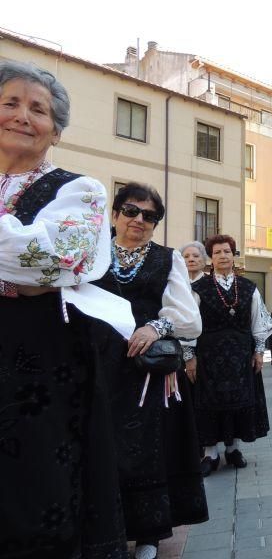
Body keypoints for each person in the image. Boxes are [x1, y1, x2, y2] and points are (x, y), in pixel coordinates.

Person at [0, 60, 129, 559]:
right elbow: (28, 262)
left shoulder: (80, 190)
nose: (21, 116)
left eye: (38, 109)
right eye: (10, 103)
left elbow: (57, 259)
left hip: (38, 360)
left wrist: (32, 273)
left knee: (35, 488)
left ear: (55, 131)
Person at [94, 182, 207, 559]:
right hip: (95, 365)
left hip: (146, 371)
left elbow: (189, 319)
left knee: (145, 450)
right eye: (130, 211)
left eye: (150, 216)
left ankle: (148, 534)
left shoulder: (167, 258)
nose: (139, 220)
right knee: (99, 446)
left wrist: (155, 326)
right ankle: (102, 529)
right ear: (114, 214)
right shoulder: (90, 250)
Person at [190, 234, 272, 476]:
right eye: (217, 252)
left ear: (233, 255)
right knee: (208, 403)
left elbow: (259, 320)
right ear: (211, 258)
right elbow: (189, 323)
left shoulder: (248, 287)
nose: (222, 256)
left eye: (227, 251)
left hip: (241, 356)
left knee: (239, 400)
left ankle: (233, 449)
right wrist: (189, 356)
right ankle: (210, 453)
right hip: (208, 356)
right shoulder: (198, 288)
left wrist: (259, 351)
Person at [180, 240, 207, 384]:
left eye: (196, 256)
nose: (191, 259)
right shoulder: (174, 285)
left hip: (206, 347)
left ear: (204, 260)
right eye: (186, 256)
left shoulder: (211, 285)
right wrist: (188, 355)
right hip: (178, 349)